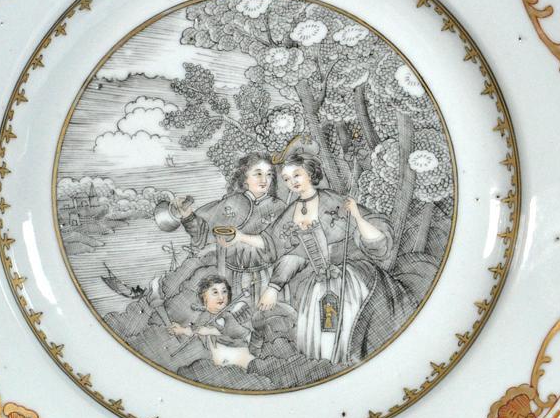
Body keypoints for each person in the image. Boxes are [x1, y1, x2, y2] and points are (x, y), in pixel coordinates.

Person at [249, 151, 417, 365]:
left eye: (297, 175)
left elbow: (376, 241)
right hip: (317, 286)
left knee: (350, 328)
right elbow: (280, 249)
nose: (292, 182)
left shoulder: (333, 201)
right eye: (287, 179)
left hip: (352, 279)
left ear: (310, 173)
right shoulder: (291, 212)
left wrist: (356, 215)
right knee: (320, 335)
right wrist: (273, 287)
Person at [172, 152, 285, 307]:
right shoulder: (232, 202)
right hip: (226, 271)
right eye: (258, 174)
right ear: (245, 178)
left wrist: (227, 244)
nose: (264, 180)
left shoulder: (279, 207)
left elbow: (277, 245)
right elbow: (203, 231)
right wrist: (188, 216)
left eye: (269, 174)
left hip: (262, 274)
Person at [168, 276, 254, 371]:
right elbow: (195, 330)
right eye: (215, 292)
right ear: (204, 298)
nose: (221, 297)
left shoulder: (227, 315)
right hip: (219, 363)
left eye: (224, 291)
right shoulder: (204, 316)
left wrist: (212, 331)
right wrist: (182, 330)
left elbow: (236, 333)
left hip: (238, 356)